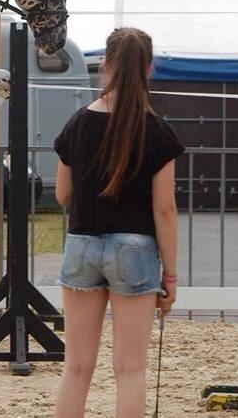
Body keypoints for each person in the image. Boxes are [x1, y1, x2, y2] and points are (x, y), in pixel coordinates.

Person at [52, 27, 184, 418]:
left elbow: (62, 195)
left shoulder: (77, 124)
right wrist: (171, 278)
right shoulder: (158, 131)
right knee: (130, 369)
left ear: (105, 65)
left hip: (82, 245)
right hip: (135, 249)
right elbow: (164, 210)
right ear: (148, 68)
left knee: (76, 367)